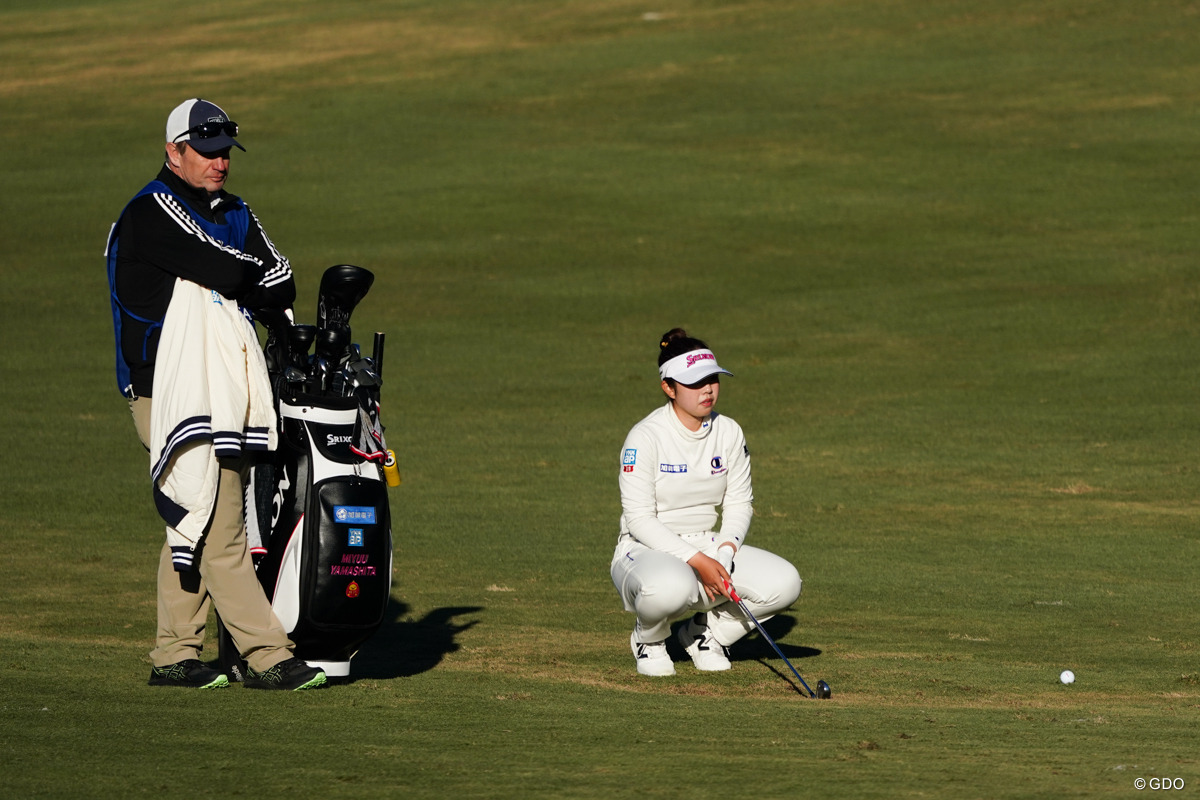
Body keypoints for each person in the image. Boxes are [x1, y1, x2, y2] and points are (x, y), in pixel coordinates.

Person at [105, 98, 326, 691]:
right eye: (205, 151)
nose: (219, 162)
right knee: (223, 523)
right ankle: (267, 655)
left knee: (196, 517)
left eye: (224, 151)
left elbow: (281, 277)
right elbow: (231, 270)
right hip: (168, 393)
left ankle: (174, 654)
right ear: (173, 153)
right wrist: (239, 272)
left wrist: (239, 273)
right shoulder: (150, 212)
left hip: (221, 389)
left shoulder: (234, 209)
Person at [610, 328, 803, 676]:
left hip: (706, 541)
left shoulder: (729, 431)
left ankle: (705, 635)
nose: (708, 389)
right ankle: (648, 640)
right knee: (673, 586)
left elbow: (740, 503)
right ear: (668, 387)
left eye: (712, 379)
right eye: (695, 382)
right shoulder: (645, 436)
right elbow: (639, 519)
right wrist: (699, 561)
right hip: (643, 549)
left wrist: (725, 553)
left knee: (785, 582)